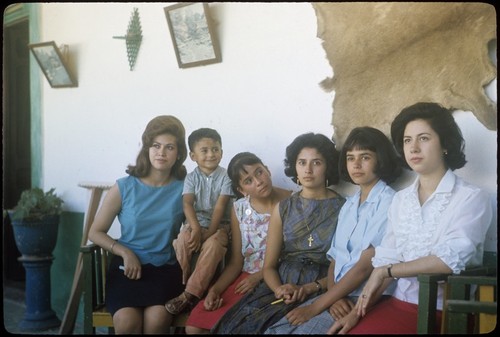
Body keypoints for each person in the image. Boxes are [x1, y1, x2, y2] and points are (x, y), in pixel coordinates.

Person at [328, 102, 493, 334]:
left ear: (445, 144)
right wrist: (355, 314)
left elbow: (448, 260)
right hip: (396, 304)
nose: (413, 148)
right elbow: (387, 258)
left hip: (444, 313)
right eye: (407, 140)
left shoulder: (472, 198)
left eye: (423, 138)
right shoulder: (401, 200)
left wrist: (387, 271)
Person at [265, 126, 402, 334]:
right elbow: (335, 260)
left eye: (364, 157)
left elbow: (364, 268)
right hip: (337, 293)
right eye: (350, 158)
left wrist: (315, 307)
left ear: (380, 160)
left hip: (364, 295)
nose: (355, 165)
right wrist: (333, 296)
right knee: (274, 331)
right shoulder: (350, 204)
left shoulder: (390, 202)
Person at [211, 132, 346, 334]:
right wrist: (279, 290)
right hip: (281, 282)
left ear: (327, 166)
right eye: (301, 163)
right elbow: (269, 267)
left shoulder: (344, 208)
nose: (308, 170)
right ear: (295, 167)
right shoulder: (283, 207)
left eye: (316, 163)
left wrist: (312, 288)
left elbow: (343, 266)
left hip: (321, 285)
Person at [88, 115, 188, 334]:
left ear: (179, 153)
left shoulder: (185, 189)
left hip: (165, 270)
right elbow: (95, 232)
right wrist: (124, 252)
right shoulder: (124, 187)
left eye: (169, 147)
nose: (161, 152)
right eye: (156, 145)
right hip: (127, 269)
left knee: (157, 320)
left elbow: (197, 227)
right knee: (127, 322)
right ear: (147, 149)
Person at [185, 152, 292, 334]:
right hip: (244, 279)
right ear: (241, 190)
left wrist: (259, 276)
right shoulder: (240, 209)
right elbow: (236, 262)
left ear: (267, 169)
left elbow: (296, 256)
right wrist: (215, 290)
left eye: (259, 172)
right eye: (248, 181)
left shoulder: (293, 201)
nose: (258, 181)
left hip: (280, 278)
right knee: (194, 328)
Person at [165, 128, 234, 315]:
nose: (211, 154)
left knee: (213, 246)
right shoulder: (191, 178)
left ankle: (191, 294)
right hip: (196, 222)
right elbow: (187, 203)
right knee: (183, 240)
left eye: (216, 149)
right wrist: (195, 228)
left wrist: (209, 232)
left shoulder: (226, 177)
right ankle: (182, 284)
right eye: (204, 150)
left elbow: (220, 207)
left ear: (221, 152)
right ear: (193, 156)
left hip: (220, 226)